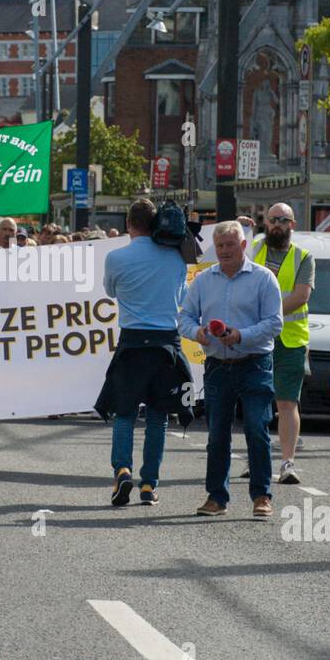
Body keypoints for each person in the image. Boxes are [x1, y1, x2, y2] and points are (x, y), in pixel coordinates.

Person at [178, 221, 283, 517]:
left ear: (243, 246)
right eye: (220, 245)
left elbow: (275, 323)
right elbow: (184, 317)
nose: (224, 251)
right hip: (217, 367)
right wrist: (196, 332)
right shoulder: (202, 280)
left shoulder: (264, 279)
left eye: (230, 245)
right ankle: (216, 497)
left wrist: (241, 335)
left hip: (254, 364)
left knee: (255, 429)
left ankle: (261, 495)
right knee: (217, 434)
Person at [95, 198, 190, 507]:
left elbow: (110, 291)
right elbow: (181, 295)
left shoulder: (116, 257)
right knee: (158, 417)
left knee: (124, 413)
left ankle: (122, 470)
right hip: (165, 344)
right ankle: (149, 484)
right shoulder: (176, 258)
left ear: (128, 224)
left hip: (132, 343)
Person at [251, 202, 313, 485]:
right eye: (272, 219)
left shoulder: (303, 257)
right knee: (255, 400)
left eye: (283, 220)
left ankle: (288, 463)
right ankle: (258, 458)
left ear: (292, 224)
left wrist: (268, 316)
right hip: (255, 338)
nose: (277, 224)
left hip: (289, 340)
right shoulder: (253, 249)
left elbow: (301, 296)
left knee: (286, 402)